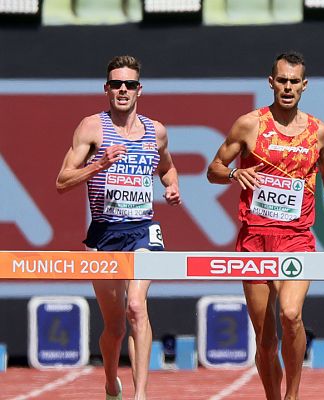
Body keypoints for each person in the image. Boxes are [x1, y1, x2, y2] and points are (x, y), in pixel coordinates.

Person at [206, 52, 324, 400]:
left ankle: (293, 394)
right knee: (266, 338)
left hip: (297, 237)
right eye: (282, 80)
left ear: (305, 85)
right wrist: (233, 173)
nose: (288, 87)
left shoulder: (319, 131)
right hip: (254, 238)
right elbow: (213, 168)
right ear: (271, 82)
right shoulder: (249, 125)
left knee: (290, 314)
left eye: (294, 81)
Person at [55, 55, 181, 400]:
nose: (122, 90)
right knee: (114, 325)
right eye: (115, 84)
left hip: (143, 230)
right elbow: (62, 182)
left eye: (128, 84)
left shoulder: (156, 131)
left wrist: (172, 187)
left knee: (136, 307)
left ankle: (141, 395)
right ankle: (111, 382)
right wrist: (99, 165)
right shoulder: (91, 128)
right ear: (106, 89)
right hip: (103, 234)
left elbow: (167, 168)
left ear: (139, 90)